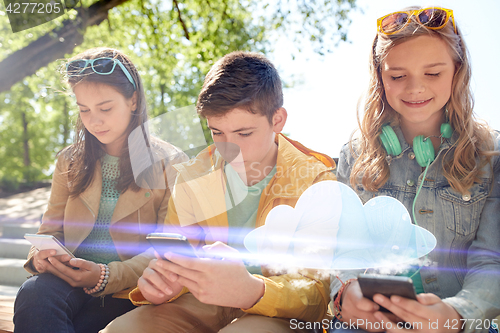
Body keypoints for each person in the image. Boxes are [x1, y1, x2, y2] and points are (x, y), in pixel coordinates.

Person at [101, 51, 337, 333]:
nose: (229, 149)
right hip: (202, 301)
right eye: (217, 132)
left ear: (278, 120)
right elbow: (173, 260)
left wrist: (252, 290)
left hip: (280, 313)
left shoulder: (316, 180)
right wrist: (163, 286)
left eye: (244, 133)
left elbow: (317, 296)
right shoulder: (192, 176)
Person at [330, 6, 500, 333]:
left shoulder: (492, 156)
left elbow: (491, 261)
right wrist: (345, 292)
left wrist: (455, 315)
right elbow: (344, 252)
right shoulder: (353, 156)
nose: (415, 89)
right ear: (380, 76)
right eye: (397, 76)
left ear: (457, 71)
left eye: (433, 73)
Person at [13, 47, 187, 333]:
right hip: (67, 282)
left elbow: (168, 250)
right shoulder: (69, 160)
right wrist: (40, 256)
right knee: (33, 294)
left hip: (130, 290)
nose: (94, 120)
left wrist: (105, 276)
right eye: (84, 110)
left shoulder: (171, 163)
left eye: (105, 108)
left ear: (133, 100)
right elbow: (49, 231)